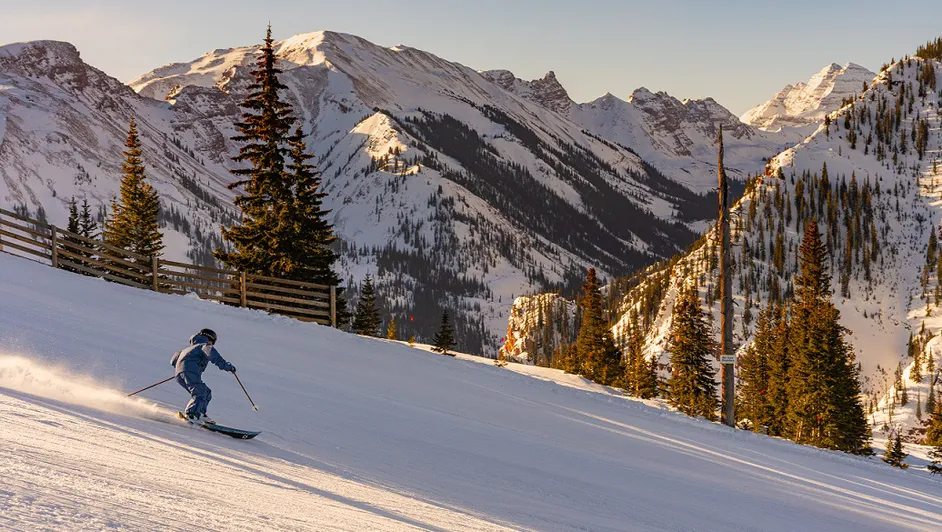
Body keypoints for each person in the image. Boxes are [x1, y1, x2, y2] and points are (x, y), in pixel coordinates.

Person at [170, 328, 236, 425]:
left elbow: (173, 361)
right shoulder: (205, 345)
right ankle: (191, 414)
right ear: (211, 339)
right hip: (190, 372)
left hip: (180, 374)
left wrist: (181, 370)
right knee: (200, 393)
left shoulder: (187, 349)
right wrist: (228, 367)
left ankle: (200, 414)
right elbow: (214, 356)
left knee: (206, 392)